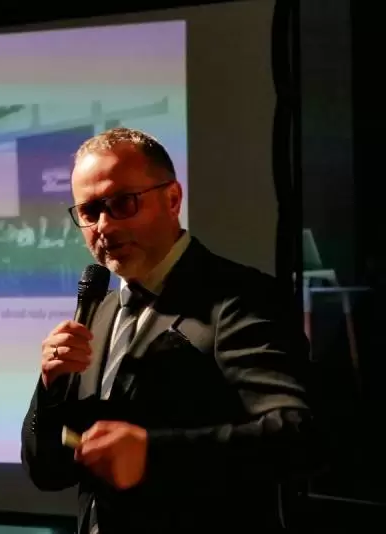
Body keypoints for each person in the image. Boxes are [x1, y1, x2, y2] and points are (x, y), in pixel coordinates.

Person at [20, 127, 316, 531]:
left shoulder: (238, 297)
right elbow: (47, 471)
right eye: (89, 212)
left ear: (173, 199)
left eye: (122, 203)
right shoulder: (98, 314)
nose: (104, 226)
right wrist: (49, 388)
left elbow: (297, 435)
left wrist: (154, 454)